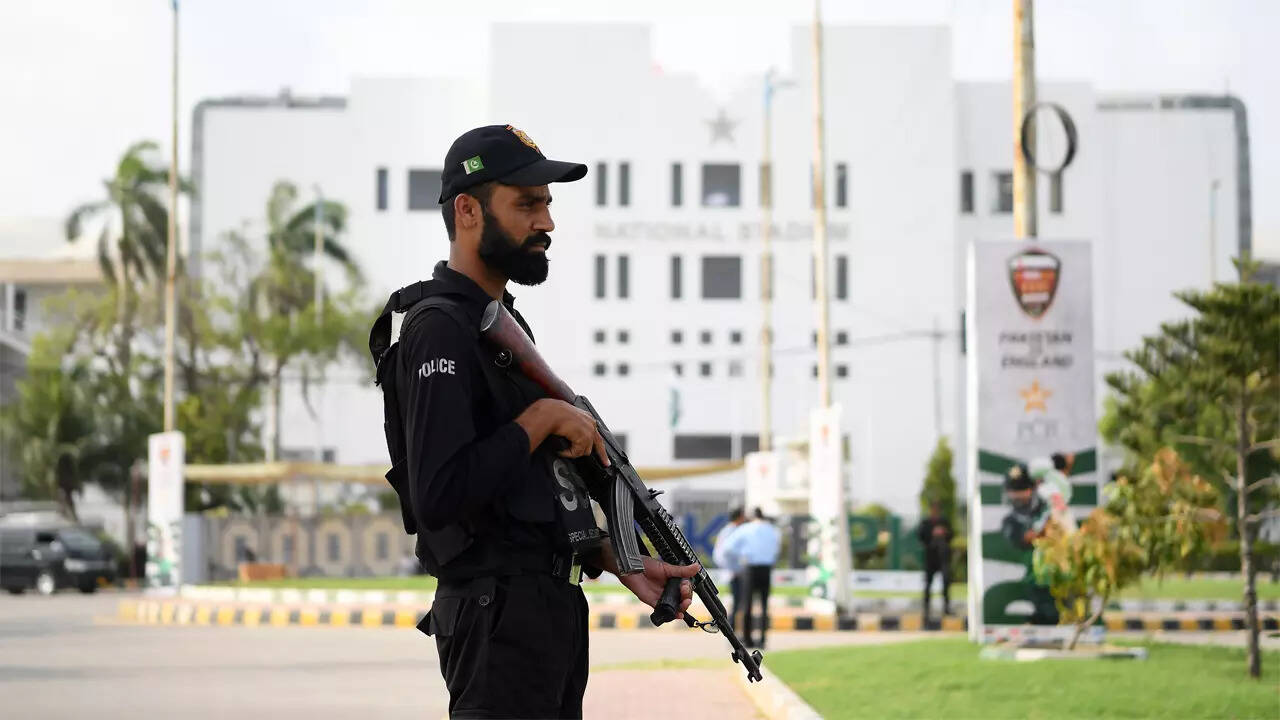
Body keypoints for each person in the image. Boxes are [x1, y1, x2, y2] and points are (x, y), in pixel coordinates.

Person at [388, 125, 700, 719]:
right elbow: (440, 495)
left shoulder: (502, 327)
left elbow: (523, 497)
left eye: (547, 204)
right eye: (527, 205)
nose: (547, 222)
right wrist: (541, 418)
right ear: (468, 210)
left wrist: (617, 558)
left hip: (543, 609)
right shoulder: (440, 328)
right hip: (495, 615)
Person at [720, 507, 781, 649]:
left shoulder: (745, 529)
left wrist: (742, 555)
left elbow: (728, 547)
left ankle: (747, 639)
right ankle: (763, 639)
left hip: (750, 568)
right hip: (766, 568)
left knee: (747, 605)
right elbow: (776, 549)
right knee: (764, 605)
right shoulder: (772, 530)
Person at [916, 501, 953, 622]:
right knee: (928, 585)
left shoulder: (944, 522)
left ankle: (946, 608)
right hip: (930, 558)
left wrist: (944, 532)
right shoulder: (925, 523)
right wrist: (932, 534)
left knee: (946, 583)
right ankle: (926, 610)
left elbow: (951, 535)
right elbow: (920, 536)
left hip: (943, 558)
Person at [712, 507, 747, 629]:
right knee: (736, 599)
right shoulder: (732, 531)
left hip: (732, 570)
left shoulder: (729, 530)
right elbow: (726, 552)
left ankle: (727, 624)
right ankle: (727, 625)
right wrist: (734, 568)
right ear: (740, 517)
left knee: (736, 600)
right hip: (732, 571)